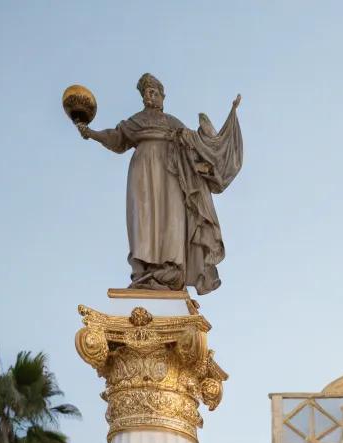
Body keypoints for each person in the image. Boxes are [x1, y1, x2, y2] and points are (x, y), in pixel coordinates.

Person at [78, 73, 243, 294]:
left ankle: (171, 266)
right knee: (144, 218)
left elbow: (199, 147)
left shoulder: (172, 123)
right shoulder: (137, 121)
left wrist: (222, 128)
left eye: (154, 92)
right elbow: (117, 138)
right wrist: (91, 133)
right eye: (146, 93)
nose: (150, 96)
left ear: (162, 96)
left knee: (172, 217)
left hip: (171, 172)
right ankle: (145, 269)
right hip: (142, 171)